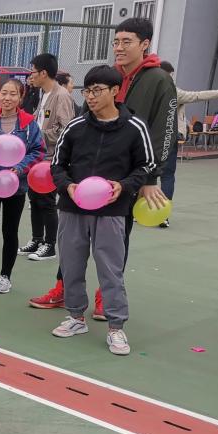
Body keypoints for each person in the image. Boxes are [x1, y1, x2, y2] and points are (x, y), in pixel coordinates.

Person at [31, 17, 176, 317]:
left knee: (116, 240)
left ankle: (104, 297)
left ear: (144, 44)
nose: (119, 47)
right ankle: (64, 288)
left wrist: (149, 178)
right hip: (85, 174)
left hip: (125, 177)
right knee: (73, 240)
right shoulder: (106, 76)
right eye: (116, 41)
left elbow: (164, 131)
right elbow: (84, 120)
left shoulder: (159, 80)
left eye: (126, 42)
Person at [50, 65, 154, 356]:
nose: (91, 97)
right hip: (72, 208)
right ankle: (75, 316)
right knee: (71, 264)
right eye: (87, 91)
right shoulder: (75, 126)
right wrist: (68, 187)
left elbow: (146, 165)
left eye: (97, 90)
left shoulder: (135, 127)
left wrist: (123, 186)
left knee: (110, 268)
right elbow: (57, 165)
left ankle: (115, 326)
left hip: (112, 211)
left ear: (115, 91)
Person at [0, 78, 44, 294]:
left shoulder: (29, 124)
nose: (7, 98)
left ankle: (5, 276)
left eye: (13, 94)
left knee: (10, 231)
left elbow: (38, 152)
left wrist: (19, 169)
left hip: (16, 187)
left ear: (20, 97)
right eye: (4, 93)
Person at [157, 61, 218, 216]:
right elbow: (198, 95)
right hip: (168, 137)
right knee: (167, 176)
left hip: (150, 137)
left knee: (145, 174)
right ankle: (163, 214)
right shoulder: (173, 91)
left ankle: (140, 212)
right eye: (170, 75)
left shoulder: (147, 89)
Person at [18, 53, 76, 262]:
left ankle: (50, 245)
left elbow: (66, 130)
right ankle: (37, 239)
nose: (31, 76)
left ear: (43, 73)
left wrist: (37, 136)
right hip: (37, 156)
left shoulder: (61, 95)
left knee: (47, 201)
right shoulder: (43, 94)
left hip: (50, 157)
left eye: (33, 71)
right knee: (35, 199)